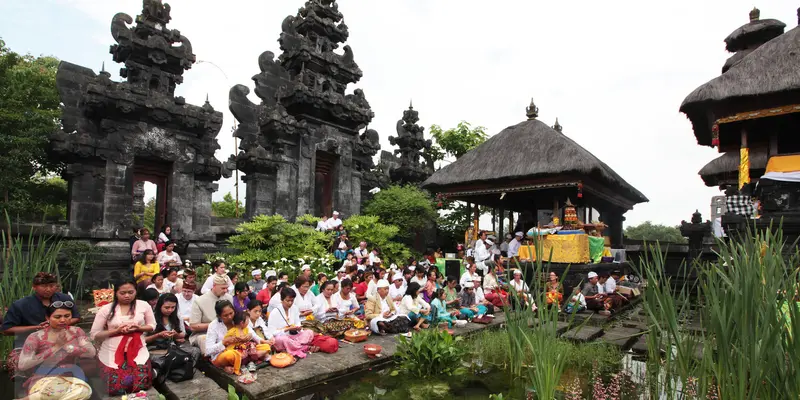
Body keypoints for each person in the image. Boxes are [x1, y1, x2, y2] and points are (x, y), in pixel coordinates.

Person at [1, 272, 81, 380]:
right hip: (27, 342)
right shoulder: (21, 304)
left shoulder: (64, 299)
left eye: (52, 286)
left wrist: (57, 324)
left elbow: (76, 317)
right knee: (19, 366)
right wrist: (37, 328)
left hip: (61, 339)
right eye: (44, 286)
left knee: (83, 358)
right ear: (34, 287)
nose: (48, 289)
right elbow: (6, 329)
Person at [16, 301, 95, 400]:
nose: (63, 320)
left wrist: (68, 348)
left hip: (70, 379)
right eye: (57, 317)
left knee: (84, 391)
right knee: (60, 391)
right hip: (44, 379)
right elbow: (23, 365)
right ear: (48, 318)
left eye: (67, 316)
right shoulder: (36, 337)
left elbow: (91, 353)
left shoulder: (77, 332)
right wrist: (56, 347)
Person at [90, 278, 155, 396]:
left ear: (136, 291)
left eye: (131, 292)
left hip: (137, 350)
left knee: (141, 384)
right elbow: (95, 334)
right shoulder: (106, 309)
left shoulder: (143, 305)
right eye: (122, 293)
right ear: (116, 293)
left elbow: (152, 326)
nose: (127, 296)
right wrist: (116, 331)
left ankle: (151, 371)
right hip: (112, 350)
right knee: (115, 388)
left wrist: (138, 328)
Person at [206, 302, 270, 375]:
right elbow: (208, 351)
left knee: (265, 347)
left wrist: (251, 337)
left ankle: (241, 363)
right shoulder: (213, 326)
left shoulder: (238, 318)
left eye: (231, 313)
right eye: (225, 315)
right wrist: (224, 342)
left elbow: (251, 333)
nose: (230, 317)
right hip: (224, 353)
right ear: (219, 316)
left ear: (234, 311)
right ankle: (244, 362)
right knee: (230, 355)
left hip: (243, 350)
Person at [268, 288, 330, 358]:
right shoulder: (275, 312)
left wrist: (298, 328)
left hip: (295, 336)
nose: (290, 303)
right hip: (282, 338)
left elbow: (298, 323)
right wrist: (287, 329)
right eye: (287, 301)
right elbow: (271, 332)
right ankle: (304, 347)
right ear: (281, 300)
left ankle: (293, 347)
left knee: (309, 332)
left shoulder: (294, 308)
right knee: (283, 339)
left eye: (292, 301)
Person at [145, 294, 200, 368]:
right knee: (158, 360)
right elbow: (143, 339)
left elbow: (183, 334)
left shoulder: (177, 317)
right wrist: (158, 335)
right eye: (167, 307)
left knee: (195, 351)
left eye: (173, 307)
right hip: (156, 349)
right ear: (159, 306)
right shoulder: (151, 317)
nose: (170, 310)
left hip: (172, 347)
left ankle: (178, 367)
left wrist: (175, 334)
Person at [189, 274, 233, 354]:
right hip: (204, 333)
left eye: (227, 288)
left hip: (226, 331)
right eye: (223, 288)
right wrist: (214, 325)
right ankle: (213, 363)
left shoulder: (229, 298)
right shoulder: (200, 301)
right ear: (214, 285)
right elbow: (193, 326)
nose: (225, 290)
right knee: (205, 340)